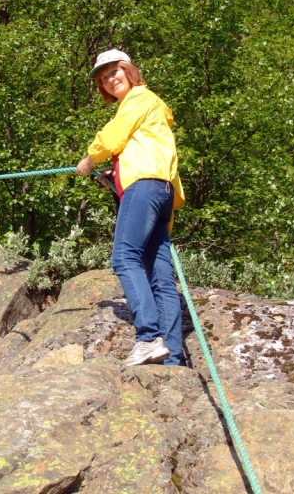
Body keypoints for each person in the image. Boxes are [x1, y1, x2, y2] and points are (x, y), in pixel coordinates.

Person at [76, 49, 185, 366]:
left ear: (129, 70)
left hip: (145, 189)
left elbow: (113, 136)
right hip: (161, 191)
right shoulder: (153, 110)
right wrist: (115, 173)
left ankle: (149, 337)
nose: (110, 80)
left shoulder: (138, 98)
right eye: (103, 78)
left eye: (114, 72)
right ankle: (172, 357)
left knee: (124, 257)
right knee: (159, 275)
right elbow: (138, 149)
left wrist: (90, 158)